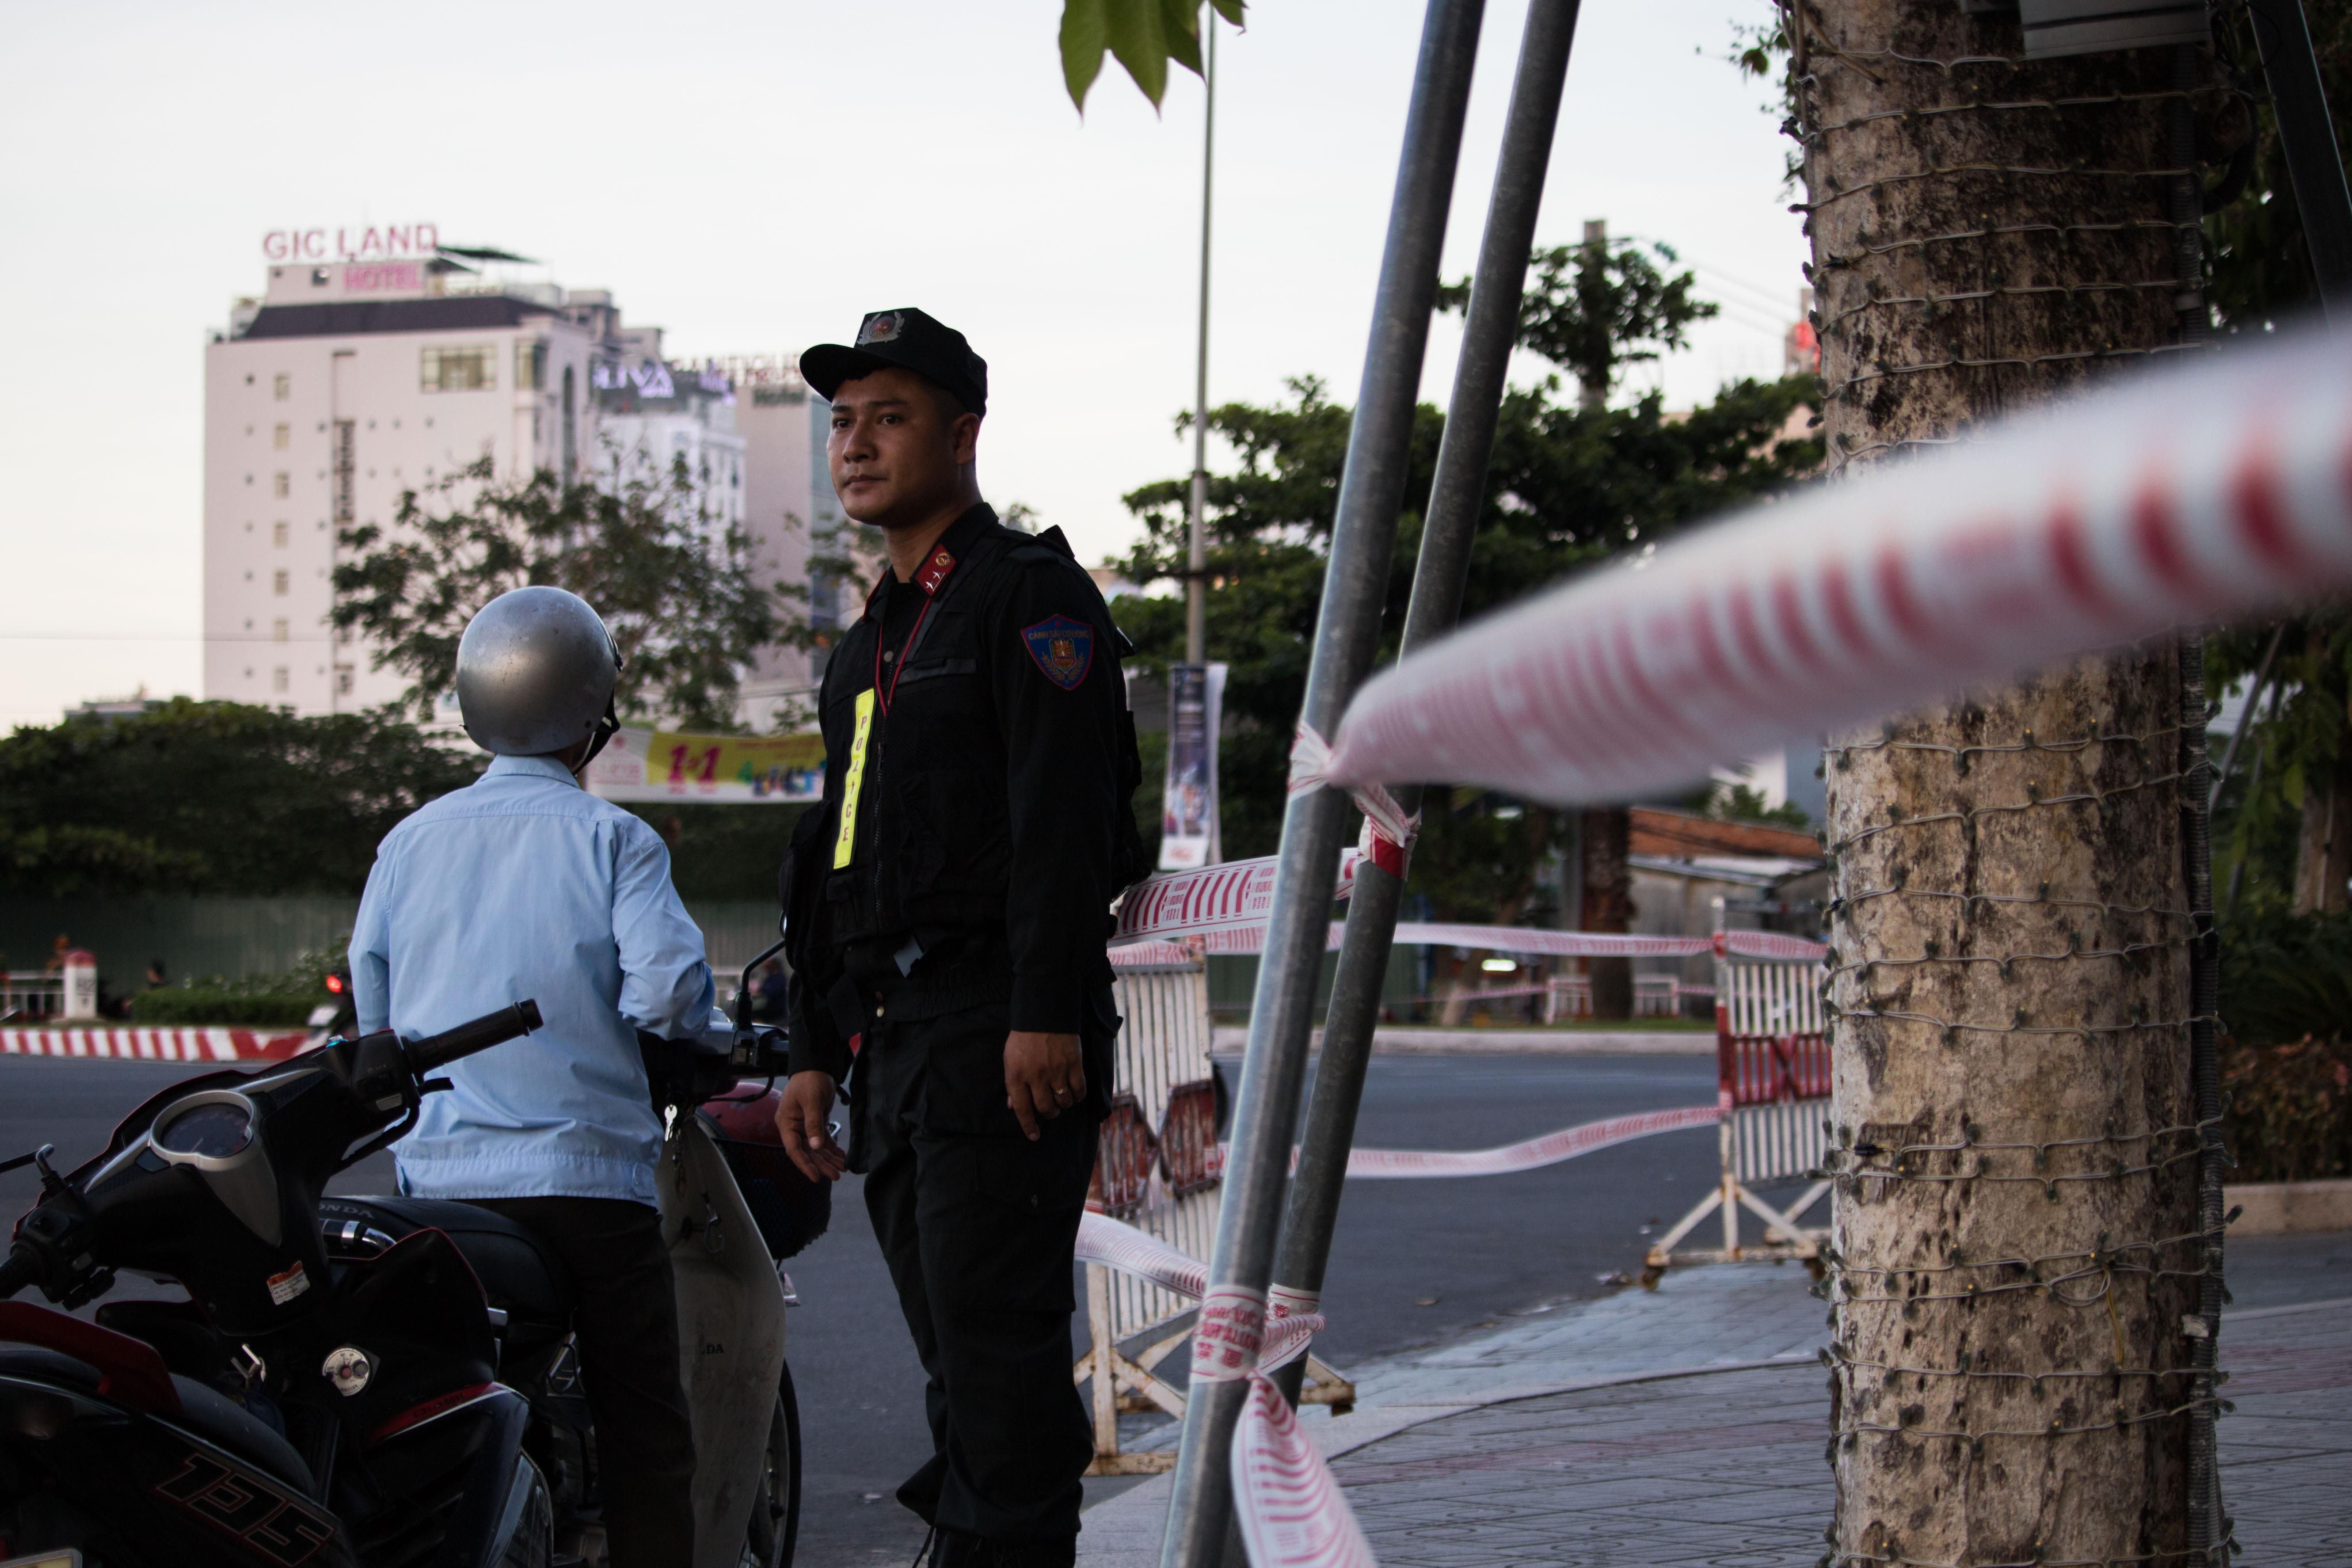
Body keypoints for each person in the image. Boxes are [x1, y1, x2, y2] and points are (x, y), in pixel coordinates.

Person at [775, 308, 1146, 1568]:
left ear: (963, 434)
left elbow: (1067, 823)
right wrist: (816, 1041)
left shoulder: (1027, 599)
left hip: (1001, 1025)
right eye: (841, 421)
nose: (857, 445)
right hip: (896, 1036)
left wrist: (1045, 1004)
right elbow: (833, 855)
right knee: (957, 1354)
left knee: (995, 1353)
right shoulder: (866, 642)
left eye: (890, 417)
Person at [350, 586, 710, 1568]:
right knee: (647, 1429)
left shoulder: (410, 841)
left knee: (433, 1413)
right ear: (594, 712)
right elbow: (672, 996)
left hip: (439, 1198)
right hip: (588, 1188)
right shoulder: (613, 839)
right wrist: (709, 1037)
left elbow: (371, 1006)